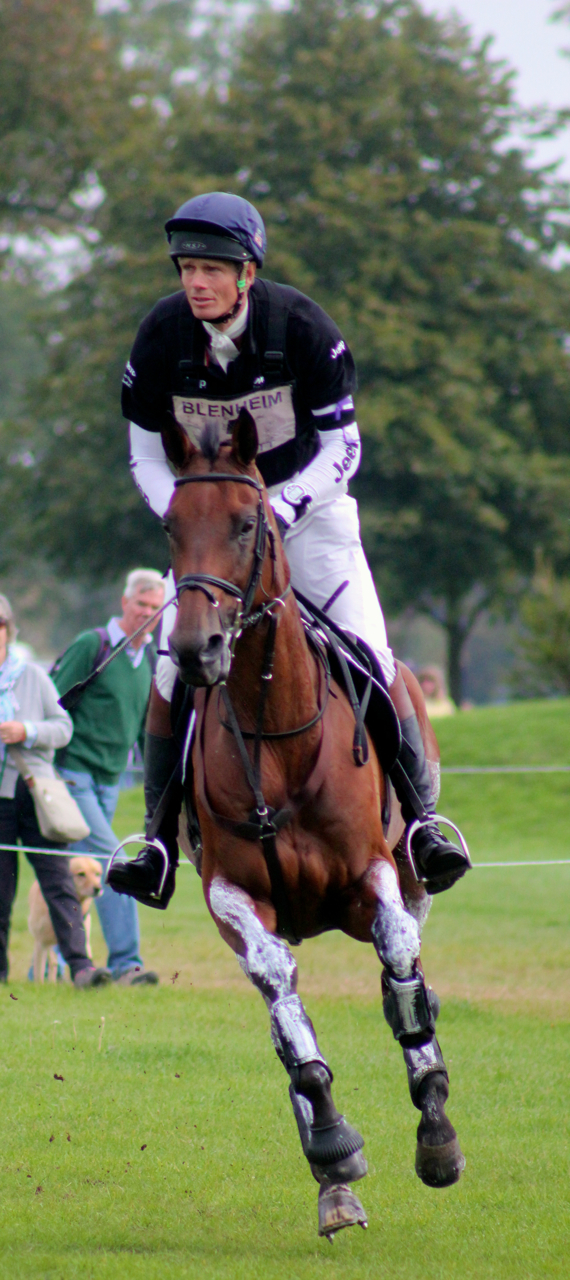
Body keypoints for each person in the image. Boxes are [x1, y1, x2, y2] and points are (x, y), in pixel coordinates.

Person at [116, 191, 470, 902]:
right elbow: (144, 456)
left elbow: (344, 446)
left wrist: (272, 513)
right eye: (187, 267)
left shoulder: (302, 327)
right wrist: (198, 516)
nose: (196, 282)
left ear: (247, 272)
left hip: (309, 522)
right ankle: (157, 840)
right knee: (168, 668)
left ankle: (423, 826)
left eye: (212, 269)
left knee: (371, 653)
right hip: (215, 536)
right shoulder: (161, 336)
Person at [52, 569, 164, 984]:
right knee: (113, 860)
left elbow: (142, 728)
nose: (147, 614)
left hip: (111, 781)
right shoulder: (93, 644)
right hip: (73, 776)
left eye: (155, 608)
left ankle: (72, 965)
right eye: (141, 605)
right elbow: (56, 702)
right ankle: (126, 964)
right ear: (125, 602)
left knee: (85, 870)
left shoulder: (150, 659)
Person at [0, 593, 110, 987]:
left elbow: (63, 729)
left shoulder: (31, 677)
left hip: (37, 795)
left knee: (60, 883)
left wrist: (25, 731)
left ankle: (81, 968)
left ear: (8, 631)